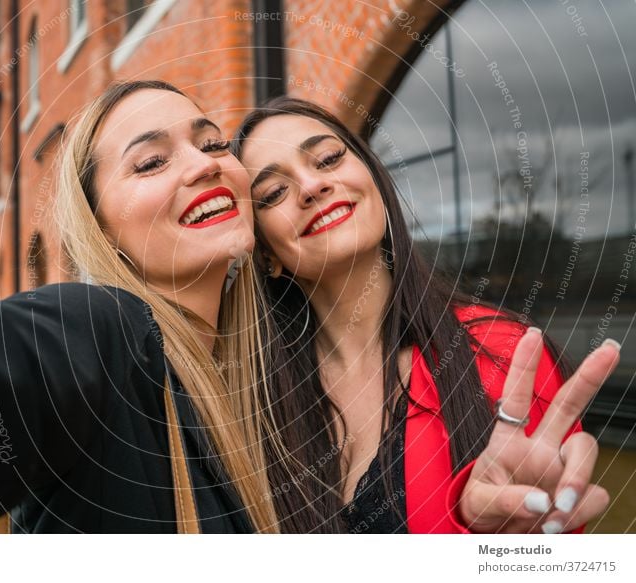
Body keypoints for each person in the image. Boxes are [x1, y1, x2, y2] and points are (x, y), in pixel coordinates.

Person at [0, 80, 281, 534]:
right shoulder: (104, 330)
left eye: (213, 143)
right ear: (101, 229)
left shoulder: (280, 367)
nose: (204, 164)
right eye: (150, 163)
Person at [232, 97, 619, 534]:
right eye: (273, 193)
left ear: (374, 179)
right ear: (266, 255)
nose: (310, 186)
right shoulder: (254, 405)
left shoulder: (504, 353)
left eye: (328, 158)